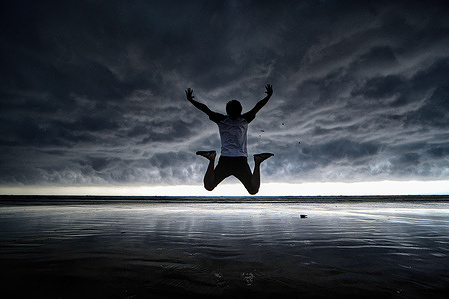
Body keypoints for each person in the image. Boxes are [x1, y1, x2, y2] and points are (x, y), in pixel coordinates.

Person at [185, 84, 274, 195]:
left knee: (209, 186)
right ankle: (257, 161)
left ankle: (212, 158)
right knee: (253, 190)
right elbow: (258, 106)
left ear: (227, 111)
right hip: (239, 160)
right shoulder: (244, 119)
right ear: (240, 111)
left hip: (226, 160)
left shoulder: (221, 119)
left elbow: (205, 108)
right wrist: (269, 96)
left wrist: (191, 100)